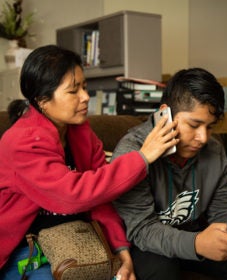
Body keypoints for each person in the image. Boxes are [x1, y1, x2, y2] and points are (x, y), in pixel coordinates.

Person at [0, 45, 178, 280]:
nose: (85, 97)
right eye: (73, 91)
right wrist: (142, 158)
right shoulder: (22, 142)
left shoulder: (81, 133)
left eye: (84, 87)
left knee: (154, 266)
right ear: (42, 100)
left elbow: (101, 201)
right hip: (25, 249)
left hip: (79, 240)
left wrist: (121, 251)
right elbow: (72, 195)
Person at [111, 67, 227, 280]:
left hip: (192, 232)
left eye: (210, 127)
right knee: (161, 269)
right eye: (194, 125)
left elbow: (221, 209)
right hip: (145, 244)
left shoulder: (213, 150)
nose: (203, 138)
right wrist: (197, 243)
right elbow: (142, 229)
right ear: (165, 114)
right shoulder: (133, 152)